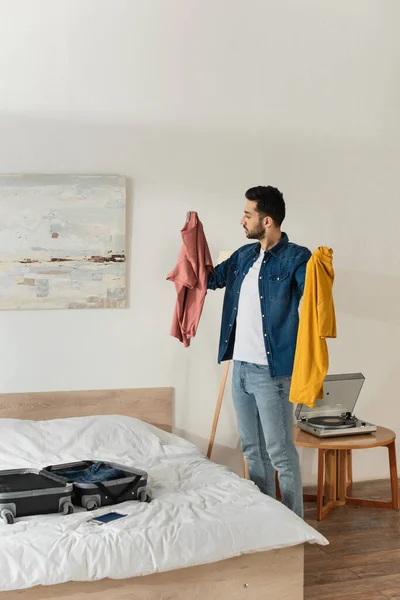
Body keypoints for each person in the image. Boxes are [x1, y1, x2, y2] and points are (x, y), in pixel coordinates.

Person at [207, 186, 311, 518]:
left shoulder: (298, 257)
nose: (242, 220)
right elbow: (210, 280)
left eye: (247, 214)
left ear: (266, 221)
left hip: (273, 373)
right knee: (253, 451)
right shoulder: (243, 256)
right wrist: (190, 247)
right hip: (240, 369)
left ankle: (295, 524)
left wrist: (321, 271)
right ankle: (265, 519)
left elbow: (314, 299)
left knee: (280, 453)